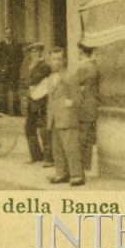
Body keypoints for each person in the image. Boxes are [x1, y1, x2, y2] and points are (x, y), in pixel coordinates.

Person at [46, 47, 84, 186]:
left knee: (71, 147)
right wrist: (49, 119)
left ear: (64, 60)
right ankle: (61, 173)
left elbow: (79, 98)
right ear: (50, 61)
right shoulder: (50, 78)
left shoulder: (70, 76)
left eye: (59, 59)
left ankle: (77, 175)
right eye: (54, 59)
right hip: (55, 118)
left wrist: (71, 102)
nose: (56, 62)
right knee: (57, 148)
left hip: (67, 117)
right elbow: (50, 100)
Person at [23, 42, 53, 165]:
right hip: (32, 100)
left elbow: (32, 80)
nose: (34, 54)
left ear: (40, 52)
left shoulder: (44, 66)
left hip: (42, 100)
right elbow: (25, 81)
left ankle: (48, 158)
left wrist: (30, 73)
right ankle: (36, 155)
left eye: (36, 51)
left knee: (44, 129)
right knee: (28, 128)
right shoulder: (30, 66)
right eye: (32, 52)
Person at [75, 42, 102, 174]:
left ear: (82, 52)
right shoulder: (94, 66)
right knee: (89, 137)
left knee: (83, 138)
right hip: (93, 105)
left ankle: (81, 169)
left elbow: (74, 84)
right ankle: (86, 168)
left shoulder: (84, 67)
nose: (78, 55)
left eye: (79, 52)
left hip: (85, 106)